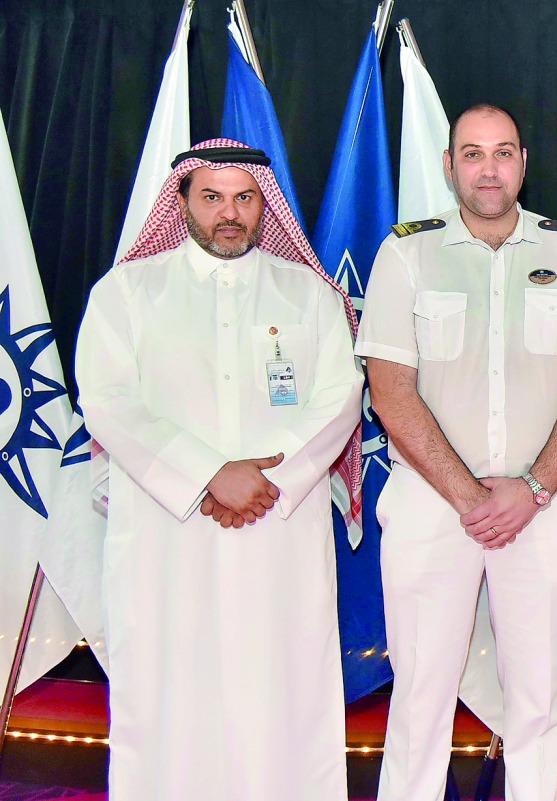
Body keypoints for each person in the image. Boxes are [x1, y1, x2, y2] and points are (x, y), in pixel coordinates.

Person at [75, 138, 362, 801]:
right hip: (166, 538)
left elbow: (340, 398)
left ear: (264, 202)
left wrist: (265, 480)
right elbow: (109, 402)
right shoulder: (127, 292)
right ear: (181, 201)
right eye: (211, 197)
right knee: (169, 692)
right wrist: (208, 474)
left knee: (281, 694)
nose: (228, 213)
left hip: (276, 534)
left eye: (243, 197)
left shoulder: (309, 296)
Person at [355, 103, 557, 801]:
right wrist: (472, 495)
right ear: (449, 166)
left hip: (544, 503)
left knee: (537, 695)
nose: (488, 168)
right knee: (419, 695)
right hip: (430, 501)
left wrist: (530, 487)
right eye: (472, 153)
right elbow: (390, 388)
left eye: (503, 152)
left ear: (524, 163)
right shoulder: (405, 252)